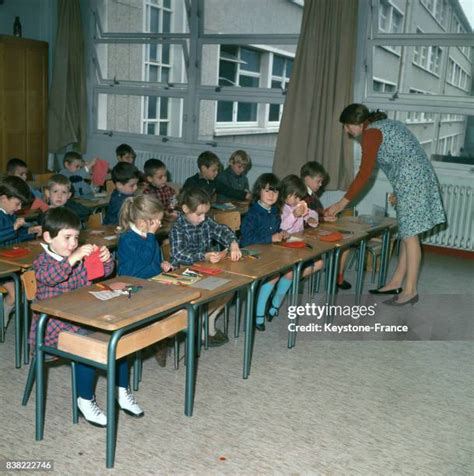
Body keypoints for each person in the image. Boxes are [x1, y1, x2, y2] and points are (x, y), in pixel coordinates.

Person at [28, 207, 144, 426]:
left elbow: (100, 273)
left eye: (76, 238)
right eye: (67, 238)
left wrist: (106, 259)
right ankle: (85, 400)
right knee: (88, 346)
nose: (73, 244)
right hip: (53, 326)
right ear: (48, 238)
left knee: (117, 339)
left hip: (82, 316)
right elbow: (51, 277)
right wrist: (73, 259)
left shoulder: (76, 256)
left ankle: (121, 391)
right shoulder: (42, 261)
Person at [326, 103, 446, 305]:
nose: (347, 131)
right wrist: (401, 191)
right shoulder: (384, 124)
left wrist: (340, 204)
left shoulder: (371, 133)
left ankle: (410, 291)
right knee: (408, 233)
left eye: (347, 126)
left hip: (411, 181)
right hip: (415, 179)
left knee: (409, 236)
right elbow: (405, 155)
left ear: (357, 122)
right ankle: (396, 282)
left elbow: (364, 174)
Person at [169, 187, 242, 346]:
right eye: (199, 214)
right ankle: (200, 327)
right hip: (183, 272)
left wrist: (233, 243)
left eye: (205, 214)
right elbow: (179, 254)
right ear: (185, 209)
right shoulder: (178, 228)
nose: (203, 218)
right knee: (210, 291)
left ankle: (209, 320)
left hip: (204, 269)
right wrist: (204, 256)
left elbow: (222, 230)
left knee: (230, 287)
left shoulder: (205, 222)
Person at [117, 194, 174, 366]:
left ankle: (159, 338)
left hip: (151, 282)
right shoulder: (127, 239)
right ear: (143, 222)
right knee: (156, 312)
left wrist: (161, 263)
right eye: (156, 221)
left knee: (175, 303)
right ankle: (155, 341)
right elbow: (141, 260)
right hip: (132, 287)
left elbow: (152, 258)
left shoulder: (149, 236)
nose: (159, 224)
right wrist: (151, 236)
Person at [240, 173, 293, 332]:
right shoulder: (252, 213)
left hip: (269, 253)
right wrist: (271, 237)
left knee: (290, 272)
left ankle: (274, 306)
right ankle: (258, 315)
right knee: (274, 275)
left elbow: (274, 232)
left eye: (275, 192)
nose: (272, 195)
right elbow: (247, 239)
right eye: (268, 191)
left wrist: (281, 233)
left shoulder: (274, 212)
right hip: (250, 255)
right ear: (259, 192)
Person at [301, 161, 352, 290]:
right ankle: (293, 279)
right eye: (318, 181)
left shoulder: (312, 195)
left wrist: (324, 216)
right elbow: (306, 219)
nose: (320, 184)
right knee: (340, 244)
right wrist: (323, 218)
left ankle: (337, 277)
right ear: (307, 178)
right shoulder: (301, 195)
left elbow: (315, 214)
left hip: (313, 231)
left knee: (345, 244)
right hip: (305, 235)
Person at [0, 176, 42, 321]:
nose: (19, 208)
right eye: (17, 204)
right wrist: (13, 228)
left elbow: (15, 237)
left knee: (36, 283)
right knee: (15, 293)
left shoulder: (10, 214)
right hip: (2, 268)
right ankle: (1, 320)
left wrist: (29, 233)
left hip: (11, 263)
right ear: (4, 198)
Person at [280, 174, 323, 277]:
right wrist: (294, 215)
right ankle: (289, 282)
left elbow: (310, 213)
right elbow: (283, 226)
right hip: (286, 245)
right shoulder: (281, 208)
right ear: (286, 193)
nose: (298, 200)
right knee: (297, 270)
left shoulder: (298, 204)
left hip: (299, 241)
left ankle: (292, 282)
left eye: (300, 197)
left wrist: (311, 218)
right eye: (296, 197)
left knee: (319, 263)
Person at [182, 151, 248, 201]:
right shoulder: (191, 182)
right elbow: (183, 201)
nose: (216, 173)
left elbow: (228, 190)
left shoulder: (213, 182)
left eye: (217, 170)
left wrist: (245, 195)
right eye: (214, 170)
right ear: (204, 168)